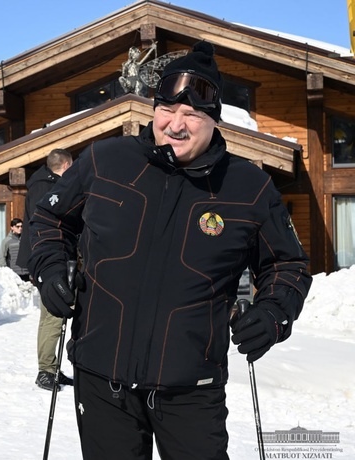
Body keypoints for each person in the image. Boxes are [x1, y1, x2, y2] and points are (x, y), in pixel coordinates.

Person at [28, 41, 312, 459]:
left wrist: (274, 312)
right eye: (167, 110)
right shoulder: (106, 161)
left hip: (192, 388)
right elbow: (49, 221)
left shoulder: (248, 187)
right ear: (153, 110)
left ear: (214, 121)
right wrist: (51, 268)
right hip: (101, 376)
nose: (176, 124)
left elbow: (288, 264)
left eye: (192, 114)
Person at [16, 148, 74, 391]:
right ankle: (46, 371)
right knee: (53, 313)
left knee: (55, 313)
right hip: (46, 259)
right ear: (65, 165)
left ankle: (52, 367)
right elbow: (43, 224)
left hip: (48, 257)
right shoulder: (45, 187)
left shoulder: (44, 183)